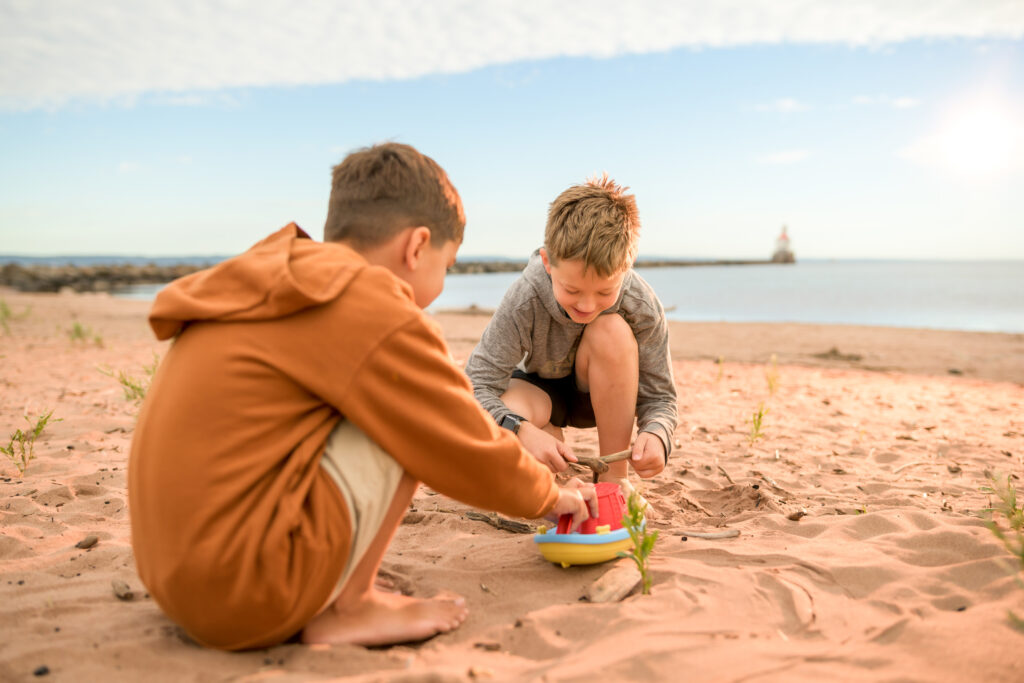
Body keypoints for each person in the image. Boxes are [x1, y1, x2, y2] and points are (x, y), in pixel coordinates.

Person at [128, 143, 598, 651]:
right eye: (447, 265)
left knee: (391, 401)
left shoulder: (280, 281)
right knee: (412, 410)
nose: (440, 283)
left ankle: (335, 586)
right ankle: (351, 607)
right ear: (417, 247)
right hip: (248, 599)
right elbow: (460, 440)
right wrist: (553, 498)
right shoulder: (367, 305)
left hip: (176, 582)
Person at [464, 174, 678, 496]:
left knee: (611, 328)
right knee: (497, 443)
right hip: (535, 391)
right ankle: (547, 438)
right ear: (548, 262)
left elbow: (661, 398)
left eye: (606, 291)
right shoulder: (526, 298)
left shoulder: (641, 305)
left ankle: (613, 478)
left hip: (600, 395)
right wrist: (521, 429)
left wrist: (658, 433)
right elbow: (476, 386)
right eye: (572, 289)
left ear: (627, 267)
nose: (587, 305)